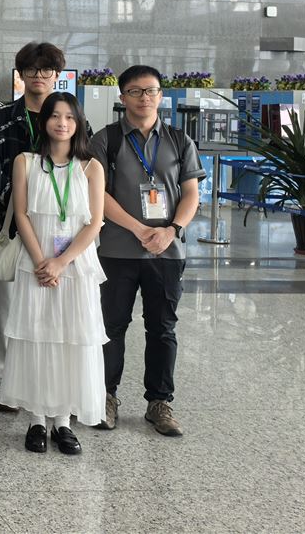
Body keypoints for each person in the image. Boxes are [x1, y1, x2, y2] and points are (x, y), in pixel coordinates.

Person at [92, 65, 203, 437]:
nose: (144, 98)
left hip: (166, 253)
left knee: (162, 328)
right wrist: (139, 228)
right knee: (111, 327)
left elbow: (191, 193)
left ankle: (160, 402)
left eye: (151, 90)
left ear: (161, 96)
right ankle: (106, 396)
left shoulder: (179, 141)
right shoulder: (105, 140)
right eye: (135, 91)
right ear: (122, 97)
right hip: (117, 250)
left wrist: (172, 230)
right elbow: (97, 195)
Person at [0, 93, 107, 455]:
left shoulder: (91, 167)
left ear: (79, 124)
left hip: (76, 267)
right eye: (55, 116)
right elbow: (21, 214)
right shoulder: (26, 162)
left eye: (70, 117)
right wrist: (42, 261)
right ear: (44, 121)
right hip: (36, 262)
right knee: (37, 337)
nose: (62, 123)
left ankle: (63, 421)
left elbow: (95, 223)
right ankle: (36, 420)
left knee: (69, 340)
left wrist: (61, 263)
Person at [0, 41, 74, 410]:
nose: (39, 76)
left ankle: (46, 381)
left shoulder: (69, 119)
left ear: (57, 75)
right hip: (9, 227)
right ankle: (2, 379)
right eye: (31, 70)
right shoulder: (0, 119)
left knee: (52, 308)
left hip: (58, 230)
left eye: (46, 70)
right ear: (20, 75)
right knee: (4, 309)